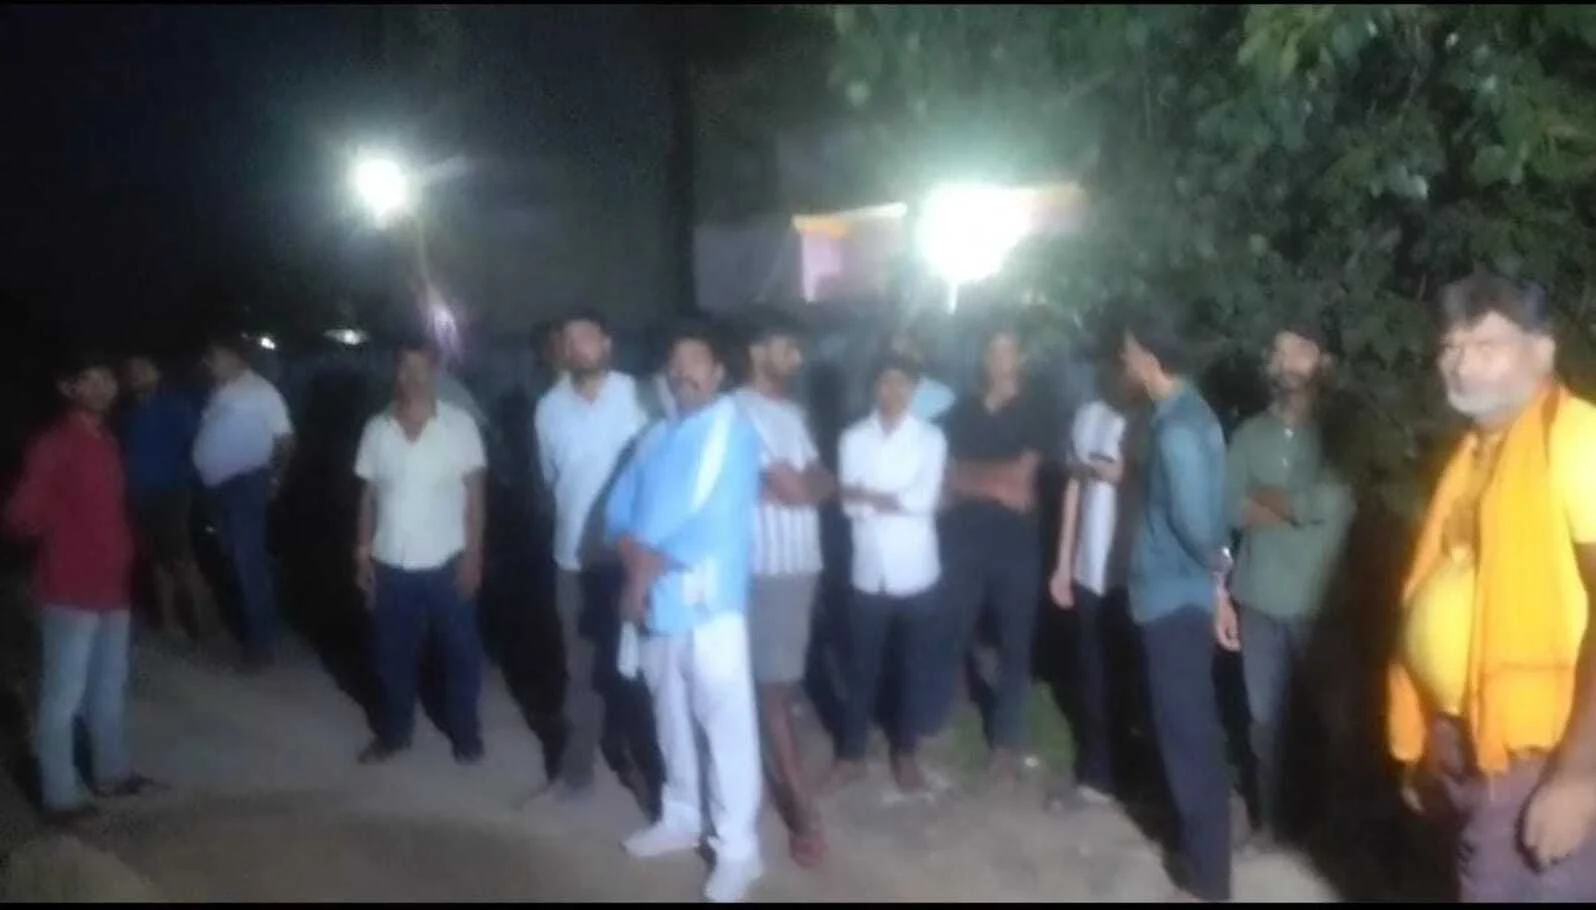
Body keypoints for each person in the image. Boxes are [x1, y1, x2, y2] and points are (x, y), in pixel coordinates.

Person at [1391, 273, 1596, 901]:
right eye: (1450, 346)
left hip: (1544, 752)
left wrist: (1580, 776)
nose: (1461, 362)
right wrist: (1430, 740)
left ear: (1542, 351)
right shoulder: (1477, 453)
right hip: (1471, 739)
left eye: (1486, 345)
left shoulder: (1575, 438)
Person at [604, 322, 764, 903]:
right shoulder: (653, 438)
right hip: (655, 604)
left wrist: (643, 572)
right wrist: (634, 563)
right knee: (668, 716)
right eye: (675, 362)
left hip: (708, 602)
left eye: (695, 360)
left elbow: (717, 524)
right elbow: (616, 512)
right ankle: (680, 816)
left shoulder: (735, 434)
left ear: (719, 372)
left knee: (724, 726)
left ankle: (738, 851)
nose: (682, 372)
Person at [1219, 318, 1354, 852]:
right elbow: (1227, 505)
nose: (1287, 362)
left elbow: (1332, 502)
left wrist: (1270, 499)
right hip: (1258, 598)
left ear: (1324, 363)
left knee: (1329, 721)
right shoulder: (1251, 433)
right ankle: (1272, 825)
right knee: (1263, 723)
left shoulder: (1343, 434)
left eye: (1300, 351)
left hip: (1321, 604)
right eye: (1279, 352)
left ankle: (1332, 834)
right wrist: (1295, 507)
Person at [5, 351, 157, 825]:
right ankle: (59, 794)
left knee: (108, 689)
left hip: (112, 589)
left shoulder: (106, 439)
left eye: (106, 378)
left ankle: (111, 772)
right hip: (70, 589)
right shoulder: (54, 443)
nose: (101, 388)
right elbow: (20, 516)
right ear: (67, 388)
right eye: (88, 380)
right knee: (62, 698)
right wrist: (66, 532)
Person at [1118, 308, 1234, 902]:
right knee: (1190, 731)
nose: (1123, 361)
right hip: (1184, 597)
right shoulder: (1187, 416)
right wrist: (1219, 589)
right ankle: (1203, 864)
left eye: (1129, 351)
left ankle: (1210, 879)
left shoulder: (1178, 430)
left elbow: (1197, 524)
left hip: (1171, 602)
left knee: (1186, 737)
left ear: (1150, 358)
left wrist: (1218, 571)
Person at [532, 309, 651, 800]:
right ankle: (576, 772)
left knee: (639, 669)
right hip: (573, 562)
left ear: (607, 343)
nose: (578, 346)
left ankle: (646, 770)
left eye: (587, 337)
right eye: (569, 339)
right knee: (580, 671)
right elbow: (553, 480)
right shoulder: (548, 409)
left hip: (630, 561)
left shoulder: (640, 396)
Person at [352, 334, 488, 765]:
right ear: (396, 371)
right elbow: (368, 496)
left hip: (448, 561)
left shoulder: (459, 425)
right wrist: (362, 552)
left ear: (435, 370)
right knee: (392, 656)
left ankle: (465, 733)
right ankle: (395, 733)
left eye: (421, 367)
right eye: (404, 367)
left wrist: (474, 556)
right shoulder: (377, 428)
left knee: (460, 653)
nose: (412, 377)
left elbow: (475, 497)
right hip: (391, 562)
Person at [735, 312, 833, 867]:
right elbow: (801, 488)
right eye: (787, 347)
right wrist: (802, 487)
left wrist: (802, 487)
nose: (797, 357)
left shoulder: (791, 413)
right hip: (768, 568)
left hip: (800, 567)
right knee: (774, 691)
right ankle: (801, 808)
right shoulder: (740, 412)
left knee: (775, 686)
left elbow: (821, 478)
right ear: (757, 352)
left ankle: (759, 783)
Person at [934, 325, 1054, 780]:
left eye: (1008, 351)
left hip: (1015, 542)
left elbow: (1021, 485)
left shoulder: (1037, 409)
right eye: (993, 351)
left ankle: (1007, 739)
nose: (999, 360)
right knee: (953, 626)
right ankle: (940, 718)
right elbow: (944, 475)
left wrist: (968, 477)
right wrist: (992, 480)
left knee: (1014, 640)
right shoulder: (961, 410)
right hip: (962, 538)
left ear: (1020, 358)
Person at [829, 353, 948, 794]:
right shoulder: (852, 438)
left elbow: (924, 498)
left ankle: (906, 752)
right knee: (861, 667)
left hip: (917, 569)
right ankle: (852, 754)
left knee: (913, 666)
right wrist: (892, 499)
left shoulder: (930, 438)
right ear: (873, 387)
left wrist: (874, 497)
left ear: (913, 390)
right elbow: (849, 504)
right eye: (884, 382)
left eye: (901, 383)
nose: (892, 392)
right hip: (869, 570)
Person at [1046, 357, 1134, 810]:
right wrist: (1063, 564)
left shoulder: (1148, 420)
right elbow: (1073, 490)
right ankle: (1098, 776)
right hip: (1089, 571)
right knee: (1092, 674)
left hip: (1132, 576)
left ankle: (1139, 778)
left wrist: (1118, 472)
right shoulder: (1089, 416)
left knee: (1134, 676)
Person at [192, 333, 294, 670]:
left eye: (215, 356)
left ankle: (261, 642)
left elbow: (286, 440)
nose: (209, 363)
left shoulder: (261, 391)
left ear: (236, 358)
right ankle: (254, 626)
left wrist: (276, 478)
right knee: (236, 559)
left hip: (246, 484)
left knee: (248, 561)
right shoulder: (218, 391)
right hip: (220, 488)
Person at [121, 354, 217, 643]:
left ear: (158, 373)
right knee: (157, 560)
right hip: (140, 494)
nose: (137, 374)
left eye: (143, 368)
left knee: (181, 559)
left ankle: (204, 623)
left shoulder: (175, 406)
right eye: (132, 370)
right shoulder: (129, 413)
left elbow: (196, 446)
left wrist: (190, 481)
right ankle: (169, 620)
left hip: (171, 492)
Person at [888, 327, 957, 421]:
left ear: (921, 354)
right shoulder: (880, 396)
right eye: (896, 354)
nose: (902, 359)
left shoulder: (943, 397)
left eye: (909, 351)